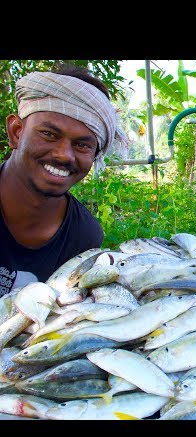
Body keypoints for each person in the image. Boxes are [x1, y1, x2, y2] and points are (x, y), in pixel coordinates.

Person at [0, 65, 127, 297]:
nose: (63, 155)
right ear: (16, 131)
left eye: (82, 145)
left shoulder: (83, 236)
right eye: (49, 134)